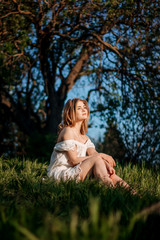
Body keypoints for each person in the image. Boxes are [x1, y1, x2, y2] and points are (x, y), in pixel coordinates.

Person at [47, 98, 133, 191]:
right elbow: (73, 160)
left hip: (76, 170)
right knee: (97, 160)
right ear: (71, 112)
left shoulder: (85, 137)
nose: (84, 110)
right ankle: (110, 190)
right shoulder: (67, 131)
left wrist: (105, 164)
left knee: (109, 172)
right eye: (79, 108)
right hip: (62, 173)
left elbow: (94, 154)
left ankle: (133, 194)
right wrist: (101, 156)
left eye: (84, 107)